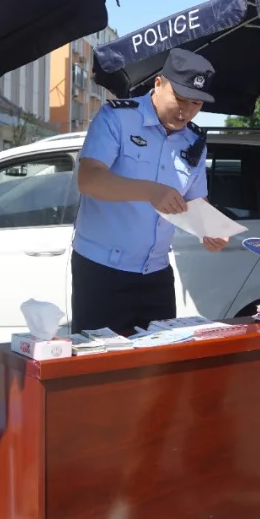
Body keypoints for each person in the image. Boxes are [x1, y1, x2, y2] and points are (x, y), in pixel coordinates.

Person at [71, 48, 229, 333]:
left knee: (160, 357)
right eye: (180, 99)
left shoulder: (193, 139)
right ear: (158, 84)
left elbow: (196, 201)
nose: (186, 111)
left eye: (196, 103)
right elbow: (89, 179)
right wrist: (150, 191)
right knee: (101, 358)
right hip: (102, 271)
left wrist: (209, 229)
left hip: (156, 273)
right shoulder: (117, 118)